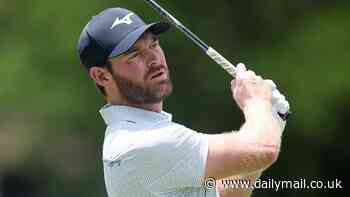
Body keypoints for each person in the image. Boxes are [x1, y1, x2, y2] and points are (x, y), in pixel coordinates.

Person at [77, 7, 290, 197]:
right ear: (102, 76)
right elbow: (264, 150)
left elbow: (226, 193)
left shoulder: (145, 134)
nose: (154, 59)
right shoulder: (139, 142)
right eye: (134, 55)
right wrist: (257, 103)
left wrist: (271, 120)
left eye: (154, 44)